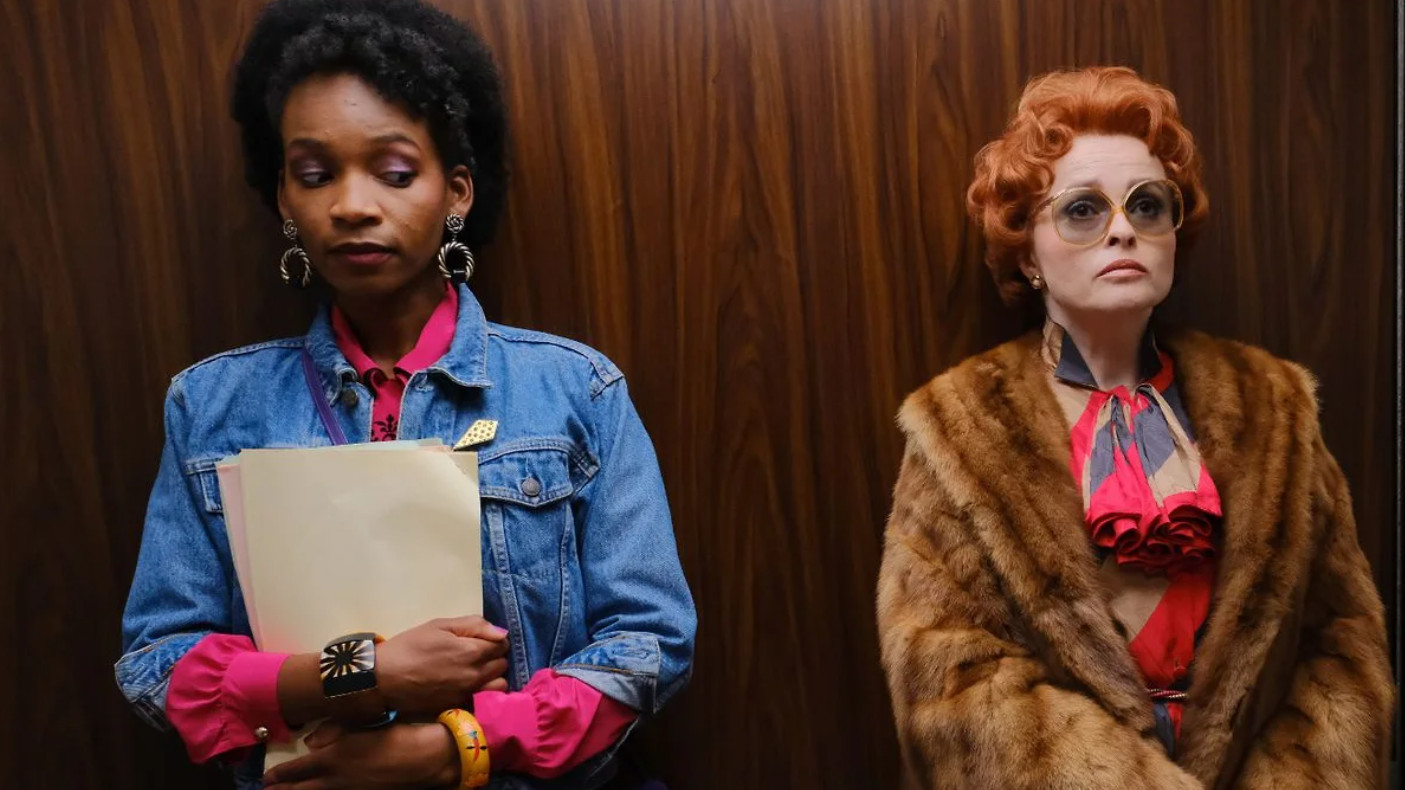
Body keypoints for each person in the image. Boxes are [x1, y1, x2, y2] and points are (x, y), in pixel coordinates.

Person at [114, 2, 695, 788]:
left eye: (393, 173)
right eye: (314, 175)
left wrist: (461, 748)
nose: (351, 205)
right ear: (283, 197)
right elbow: (158, 662)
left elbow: (649, 642)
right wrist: (364, 674)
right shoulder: (210, 406)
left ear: (456, 192)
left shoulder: (576, 391)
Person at [876, 66, 1393, 789]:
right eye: (1082, 209)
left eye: (1147, 204)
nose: (1123, 228)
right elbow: (949, 678)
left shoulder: (1275, 408)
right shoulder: (957, 429)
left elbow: (1342, 645)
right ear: (1026, 251)